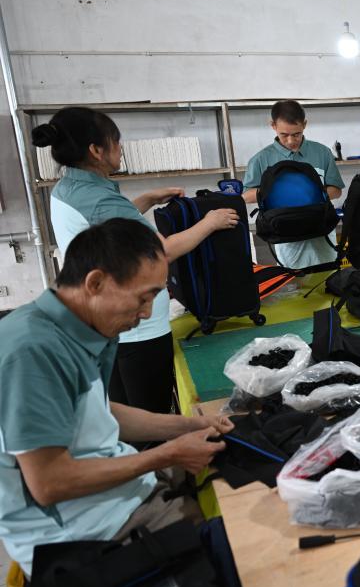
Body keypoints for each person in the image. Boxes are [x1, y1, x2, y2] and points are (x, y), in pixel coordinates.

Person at [0, 219, 233, 578]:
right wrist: (166, 454)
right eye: (143, 298)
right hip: (88, 534)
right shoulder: (32, 352)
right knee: (243, 553)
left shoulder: (74, 328)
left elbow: (95, 413)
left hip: (118, 497)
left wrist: (188, 425)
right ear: (95, 283)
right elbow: (49, 483)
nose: (146, 313)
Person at [33, 107, 239, 415]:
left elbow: (109, 227)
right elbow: (160, 251)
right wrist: (210, 223)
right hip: (136, 330)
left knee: (123, 412)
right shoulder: (100, 199)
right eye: (116, 142)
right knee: (150, 416)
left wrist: (147, 199)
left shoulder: (68, 188)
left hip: (99, 321)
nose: (121, 148)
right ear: (96, 150)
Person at [242, 100, 345, 269]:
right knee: (293, 280)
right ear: (273, 126)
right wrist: (277, 191)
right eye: (284, 135)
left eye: (296, 134)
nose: (290, 141)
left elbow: (336, 190)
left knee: (330, 276)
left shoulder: (322, 152)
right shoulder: (261, 159)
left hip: (321, 232)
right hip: (286, 236)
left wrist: (310, 194)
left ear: (305, 124)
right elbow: (246, 196)